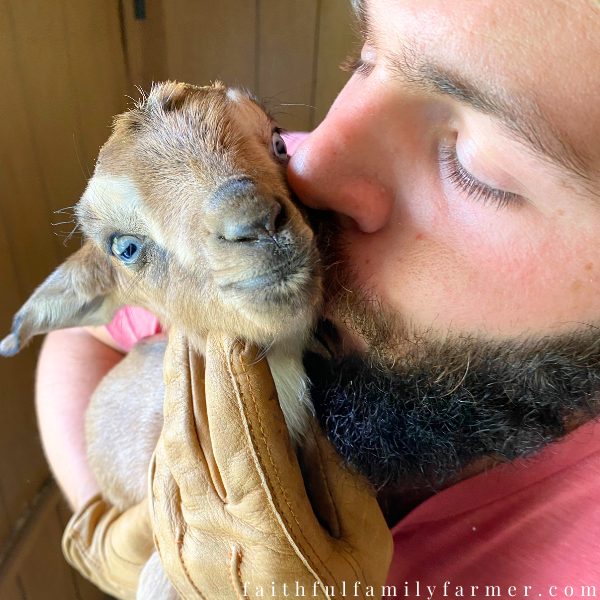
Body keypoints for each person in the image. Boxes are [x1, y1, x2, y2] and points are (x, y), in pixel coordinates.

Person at [37, 0, 600, 596]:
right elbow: (79, 335)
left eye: (474, 164)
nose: (309, 164)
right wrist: (114, 531)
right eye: (366, 56)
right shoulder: (269, 172)